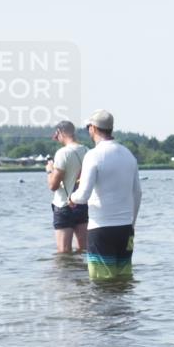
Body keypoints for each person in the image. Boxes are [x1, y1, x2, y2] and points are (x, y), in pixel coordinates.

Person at [67, 110, 142, 280]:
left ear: (93, 128)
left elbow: (83, 195)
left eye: (88, 127)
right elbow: (137, 193)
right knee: (123, 281)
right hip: (125, 229)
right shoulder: (128, 154)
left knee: (101, 283)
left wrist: (71, 198)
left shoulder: (93, 155)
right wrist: (132, 224)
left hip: (101, 229)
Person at [46, 120, 89, 253]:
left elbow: (53, 185)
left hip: (63, 206)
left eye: (56, 134)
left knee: (63, 253)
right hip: (82, 204)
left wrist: (49, 170)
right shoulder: (87, 150)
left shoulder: (62, 153)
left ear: (60, 132)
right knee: (84, 250)